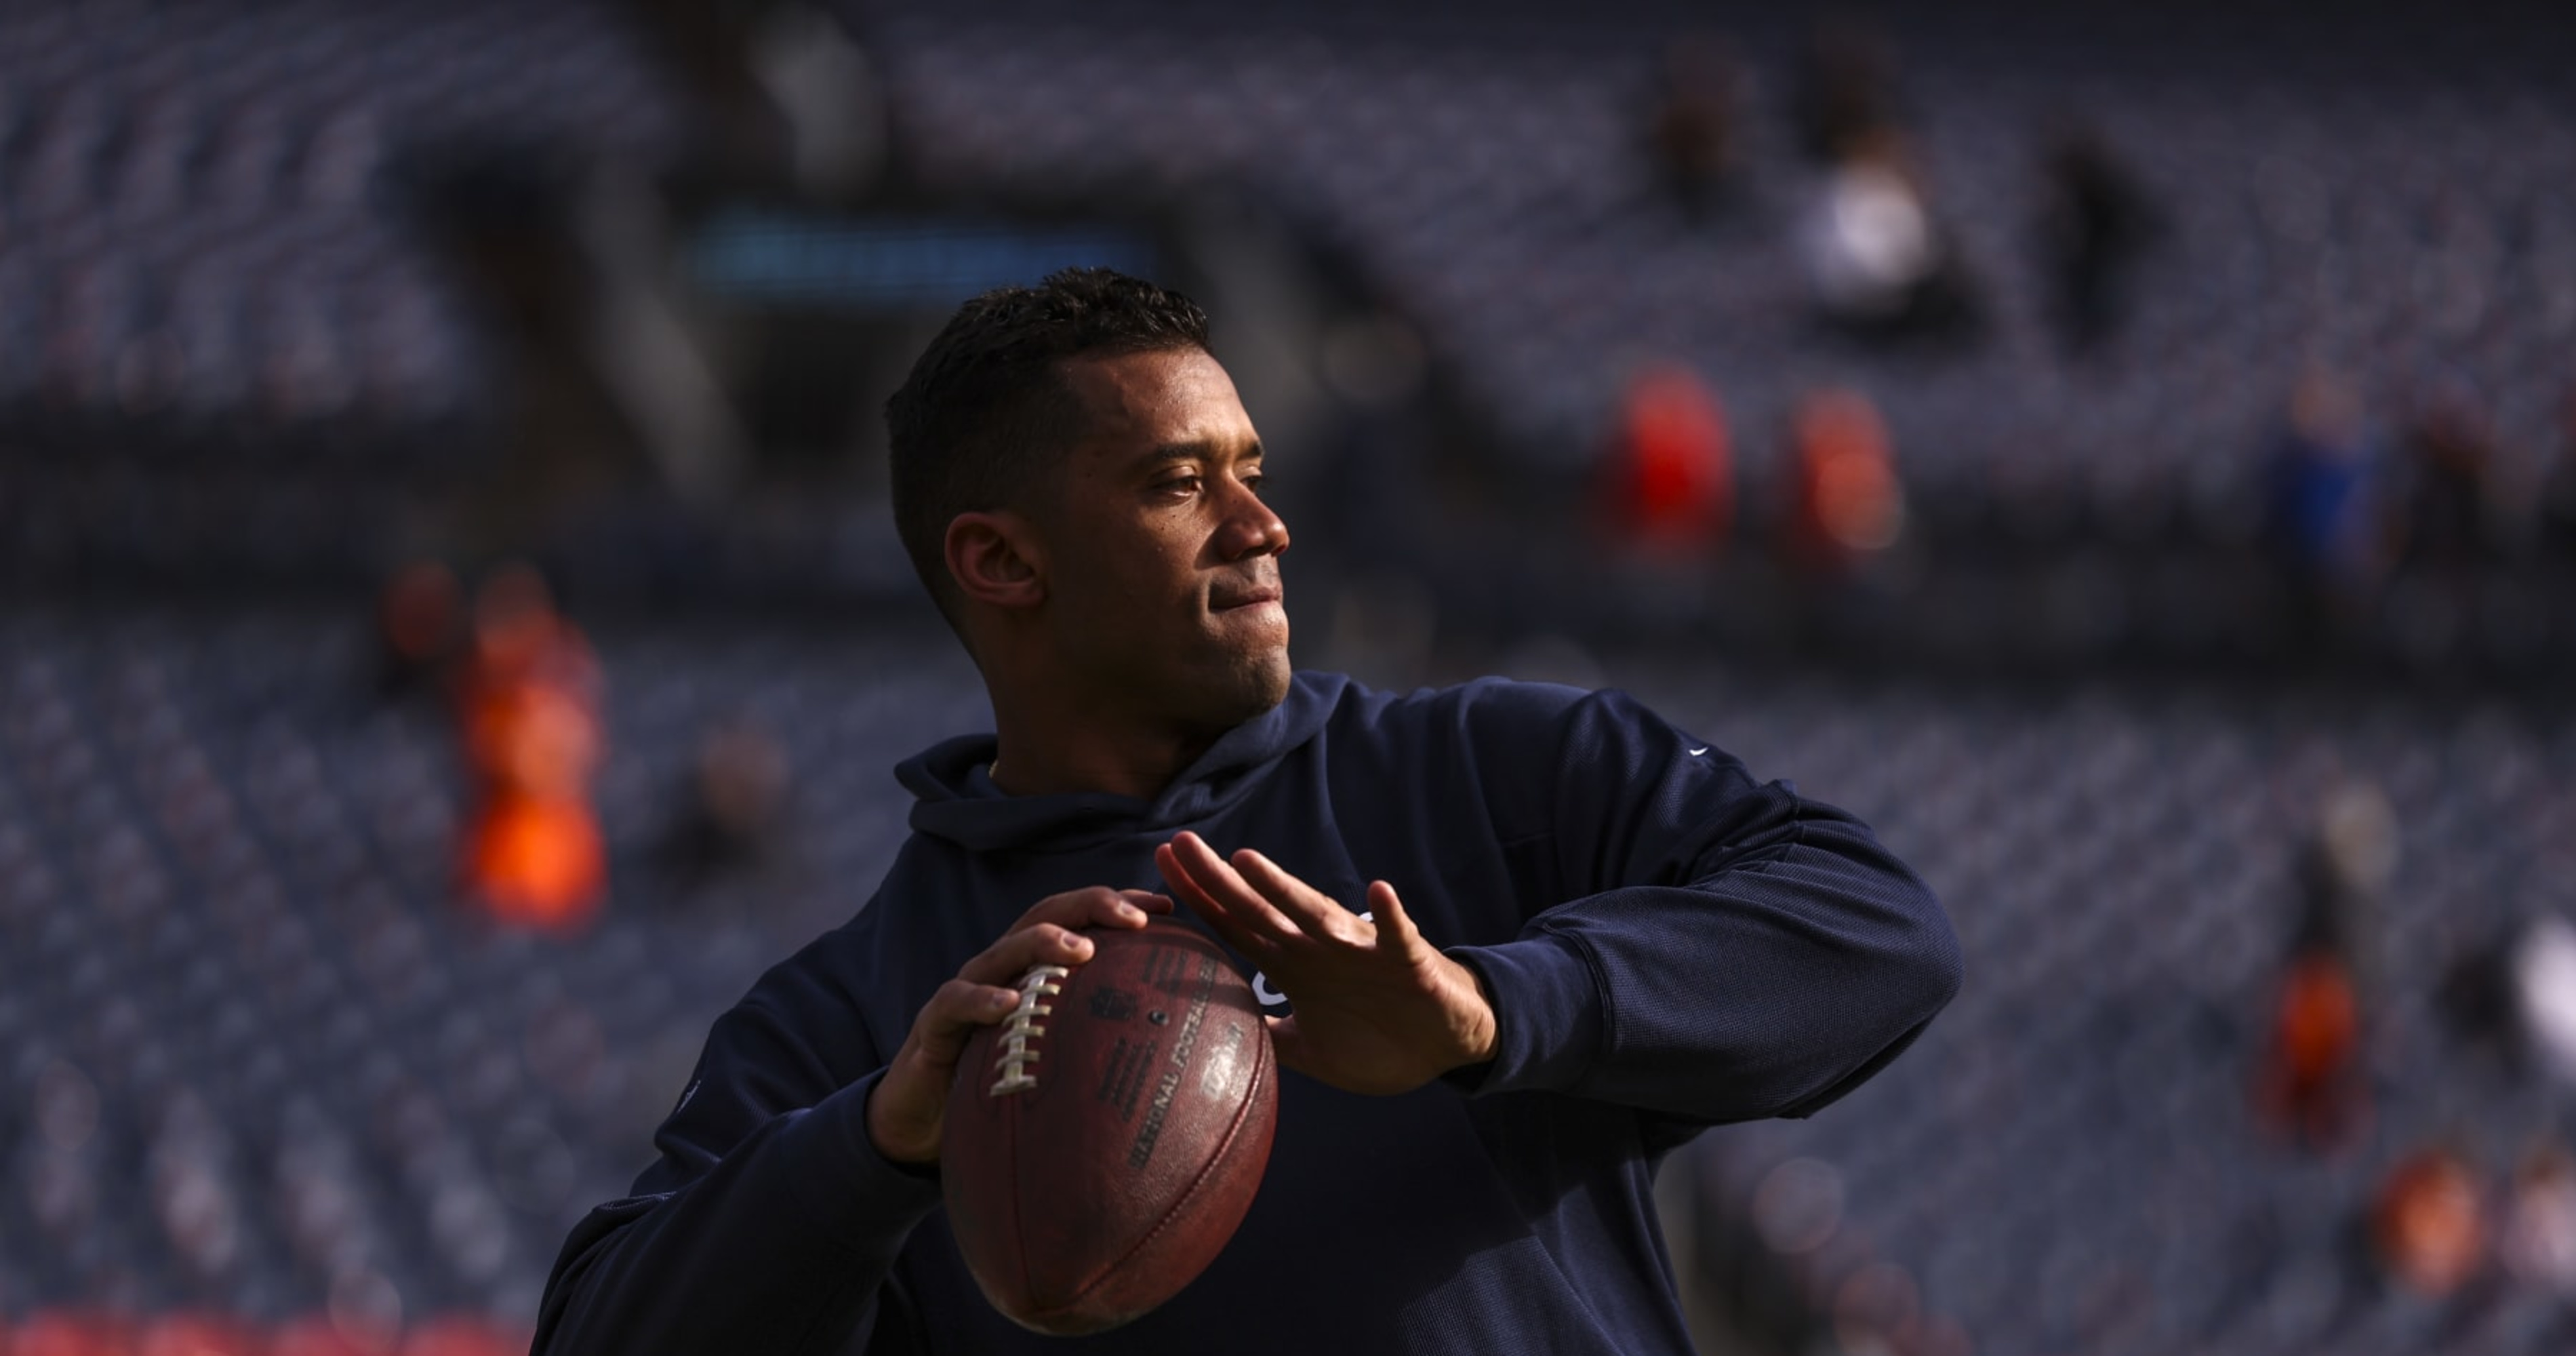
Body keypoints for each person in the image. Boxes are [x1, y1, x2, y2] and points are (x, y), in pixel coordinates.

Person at [532, 269, 1960, 1355]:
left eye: (1254, 473)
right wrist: (877, 1150)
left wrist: (1484, 1011)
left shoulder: (1491, 769)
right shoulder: (873, 1014)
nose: (1263, 525)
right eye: (1178, 483)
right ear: (1001, 561)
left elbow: (1879, 927)